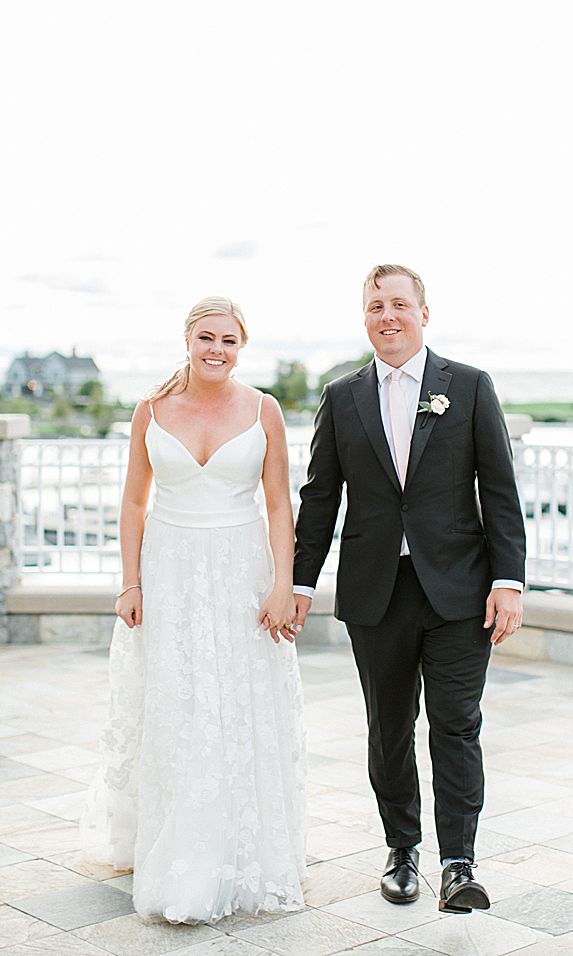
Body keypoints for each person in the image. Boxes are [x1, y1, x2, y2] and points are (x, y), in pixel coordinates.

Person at [291, 264, 525, 912]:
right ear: (363, 318)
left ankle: (458, 863)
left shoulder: (470, 387)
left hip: (459, 592)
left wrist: (509, 581)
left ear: (424, 312)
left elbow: (500, 491)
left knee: (456, 725)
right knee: (388, 727)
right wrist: (300, 583)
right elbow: (319, 498)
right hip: (375, 592)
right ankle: (401, 850)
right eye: (375, 306)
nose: (387, 315)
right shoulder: (341, 398)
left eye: (399, 304)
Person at [81, 297, 306, 924]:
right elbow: (133, 502)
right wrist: (131, 583)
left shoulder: (265, 410)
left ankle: (243, 849)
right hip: (170, 569)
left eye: (229, 341)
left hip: (241, 571)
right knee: (178, 704)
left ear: (242, 346)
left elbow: (280, 504)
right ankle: (174, 849)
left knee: (238, 702)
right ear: (187, 339)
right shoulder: (150, 411)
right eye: (207, 337)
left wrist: (283, 585)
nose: (217, 350)